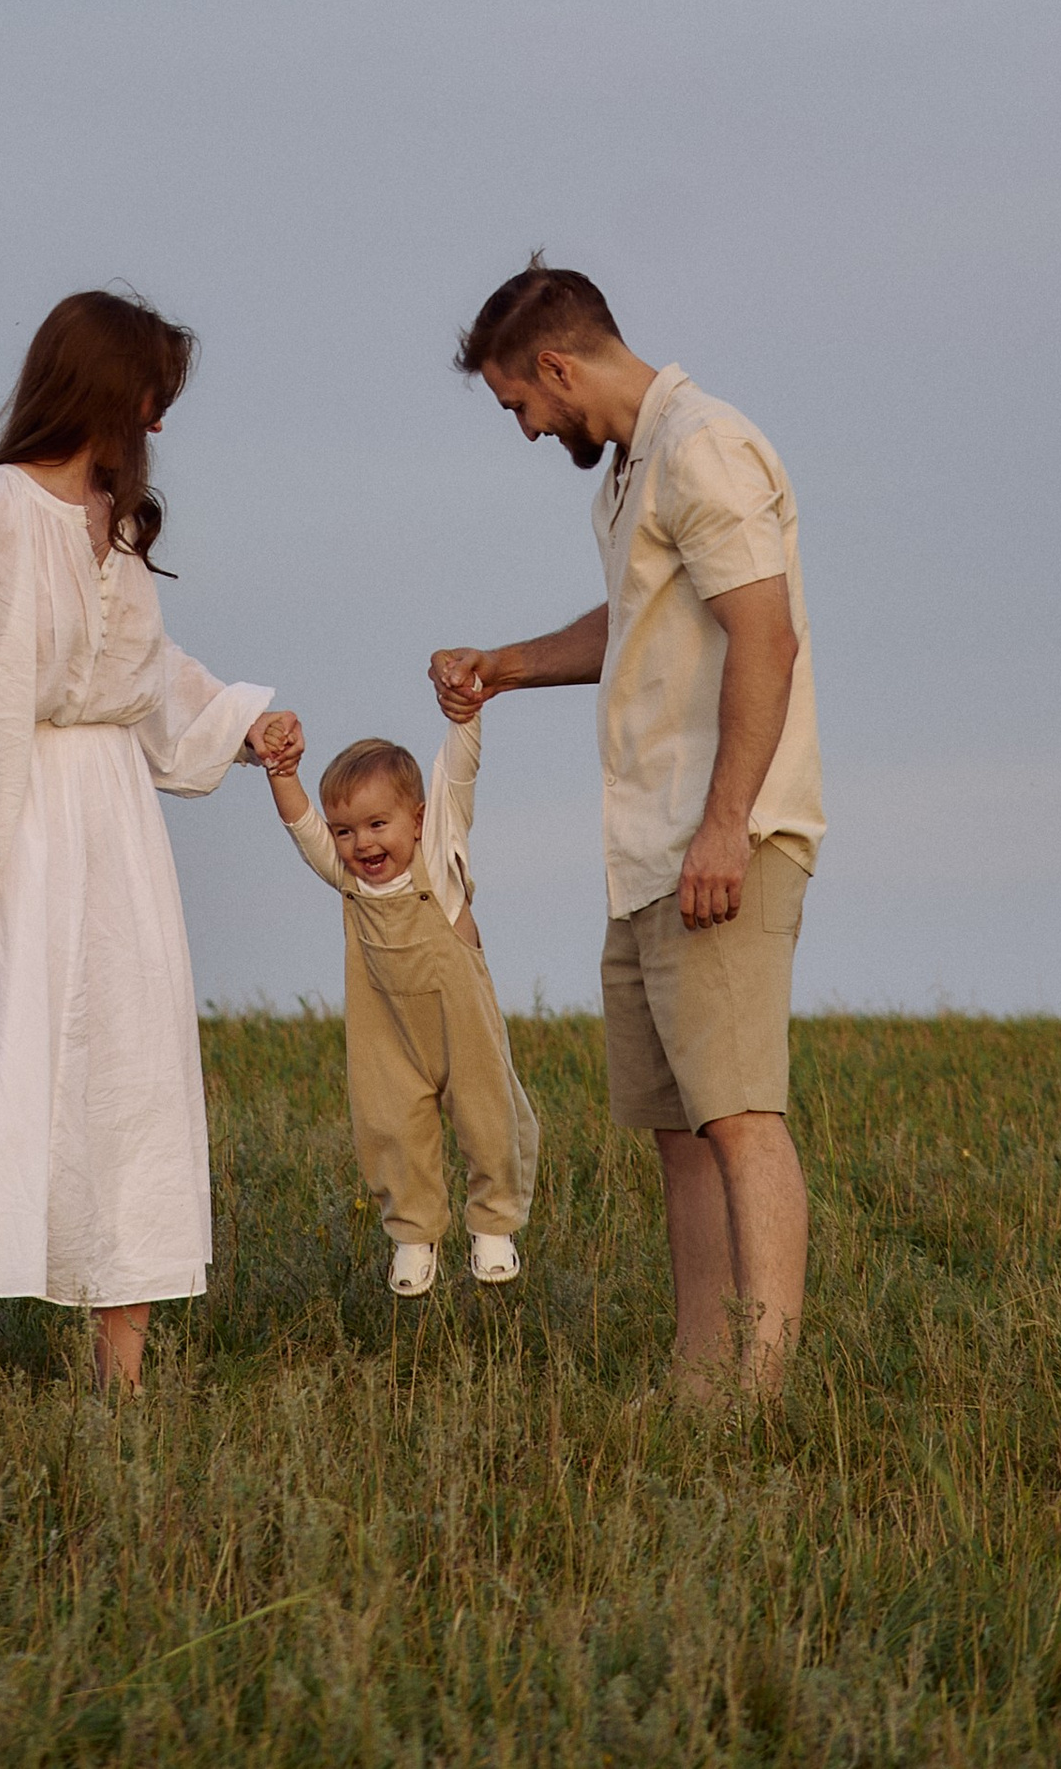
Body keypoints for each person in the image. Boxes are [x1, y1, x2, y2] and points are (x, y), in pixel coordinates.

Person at [0, 288, 298, 1414]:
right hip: (6, 825)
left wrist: (238, 724)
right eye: (153, 395)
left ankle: (120, 1377)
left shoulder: (113, 521)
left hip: (111, 834)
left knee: (124, 1076)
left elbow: (143, 674)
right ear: (107, 388)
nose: (160, 419)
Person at [429, 258, 822, 1393]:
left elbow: (767, 636)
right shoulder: (628, 475)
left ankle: (763, 1391)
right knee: (678, 1131)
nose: (526, 427)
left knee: (740, 1118)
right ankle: (702, 1378)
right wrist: (504, 666)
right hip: (648, 848)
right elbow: (643, 619)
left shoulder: (702, 442)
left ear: (556, 365)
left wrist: (724, 828)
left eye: (520, 404)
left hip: (719, 841)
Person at [258, 718, 539, 1297]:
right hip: (385, 1029)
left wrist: (466, 712)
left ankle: (493, 1226)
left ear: (418, 818)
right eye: (346, 831)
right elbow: (300, 824)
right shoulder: (348, 881)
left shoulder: (438, 853)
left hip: (460, 1027)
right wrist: (282, 773)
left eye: (377, 824)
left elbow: (458, 771)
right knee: (388, 1124)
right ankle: (414, 1236)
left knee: (489, 1116)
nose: (362, 844)